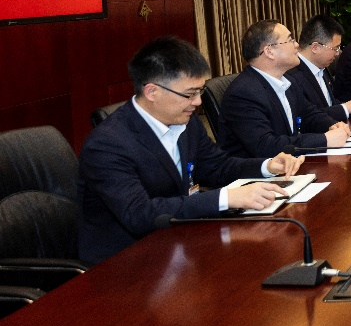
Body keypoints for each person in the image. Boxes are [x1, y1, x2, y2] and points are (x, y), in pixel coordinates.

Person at [78, 36, 304, 265]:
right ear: (152, 92)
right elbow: (139, 214)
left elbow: (217, 166)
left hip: (179, 239)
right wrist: (226, 198)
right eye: (190, 94)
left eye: (200, 92)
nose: (197, 102)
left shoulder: (185, 120)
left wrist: (267, 166)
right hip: (125, 260)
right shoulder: (107, 144)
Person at [218, 20, 351, 158]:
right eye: (290, 40)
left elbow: (308, 114)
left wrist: (332, 125)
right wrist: (324, 140)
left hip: (292, 164)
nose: (297, 45)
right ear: (269, 52)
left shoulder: (288, 81)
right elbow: (266, 146)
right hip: (259, 170)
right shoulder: (243, 93)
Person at [285, 14, 351, 124]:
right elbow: (307, 118)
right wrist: (345, 108)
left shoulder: (321, 66)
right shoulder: (291, 75)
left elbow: (330, 103)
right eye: (335, 48)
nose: (337, 53)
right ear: (315, 47)